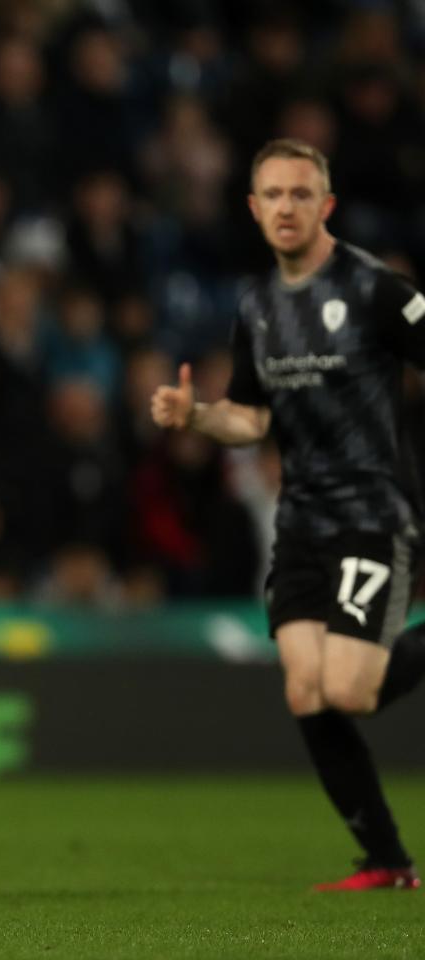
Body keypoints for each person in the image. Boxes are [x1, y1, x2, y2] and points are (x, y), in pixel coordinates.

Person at [152, 138, 425, 891]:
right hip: (300, 522)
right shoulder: (258, 306)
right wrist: (197, 414)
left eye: (301, 194)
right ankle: (388, 860)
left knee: (349, 691)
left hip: (373, 514)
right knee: (306, 691)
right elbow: (250, 419)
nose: (285, 207)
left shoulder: (374, 290)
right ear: (252, 206)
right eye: (272, 194)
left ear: (326, 205)